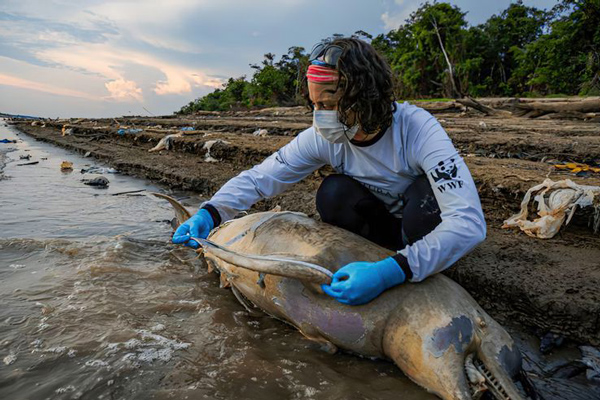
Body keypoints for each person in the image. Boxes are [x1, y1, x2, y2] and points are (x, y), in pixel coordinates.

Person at [173, 38, 486, 306]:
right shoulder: (324, 137)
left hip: (417, 226)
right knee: (333, 192)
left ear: (365, 96)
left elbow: (468, 223)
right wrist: (211, 212)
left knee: (427, 197)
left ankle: (408, 264)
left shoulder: (417, 130)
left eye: (331, 103)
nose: (322, 117)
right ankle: (373, 262)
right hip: (379, 228)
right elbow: (262, 177)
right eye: (315, 106)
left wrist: (391, 272)